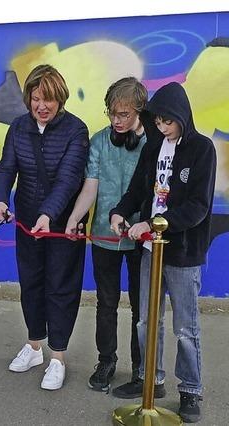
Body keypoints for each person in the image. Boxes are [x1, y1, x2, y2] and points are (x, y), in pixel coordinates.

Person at [110, 82, 216, 423]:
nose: (162, 127)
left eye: (168, 122)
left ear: (182, 117)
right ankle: (149, 381)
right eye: (158, 122)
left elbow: (198, 208)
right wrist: (121, 212)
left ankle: (190, 390)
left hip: (182, 253)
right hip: (149, 251)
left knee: (186, 328)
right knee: (145, 320)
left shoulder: (202, 150)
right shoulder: (154, 147)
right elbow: (137, 188)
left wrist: (156, 224)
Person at [0, 64, 89, 390]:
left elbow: (68, 179)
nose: (42, 106)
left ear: (60, 99)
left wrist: (48, 214)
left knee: (60, 286)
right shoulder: (19, 128)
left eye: (48, 99)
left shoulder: (76, 130)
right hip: (27, 221)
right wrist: (1, 201)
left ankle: (57, 357)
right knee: (31, 283)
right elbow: (6, 167)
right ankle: (34, 346)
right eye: (35, 99)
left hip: (63, 224)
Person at [65, 77, 147, 392]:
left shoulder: (153, 143)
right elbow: (90, 187)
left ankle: (142, 369)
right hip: (102, 236)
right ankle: (107, 361)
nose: (116, 120)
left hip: (143, 239)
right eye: (112, 113)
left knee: (142, 307)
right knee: (106, 302)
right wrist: (75, 218)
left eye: (124, 114)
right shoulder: (99, 141)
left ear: (140, 111)